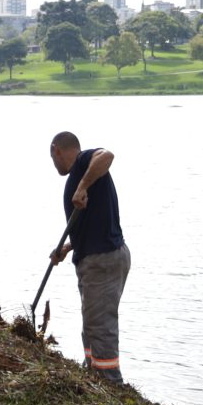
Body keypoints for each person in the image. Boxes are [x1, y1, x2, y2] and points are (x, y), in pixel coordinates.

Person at [48, 131, 129, 382]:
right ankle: (93, 375)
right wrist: (68, 248)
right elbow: (93, 224)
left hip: (102, 260)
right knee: (92, 324)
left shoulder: (85, 163)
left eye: (52, 157)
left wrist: (82, 186)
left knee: (100, 326)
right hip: (96, 257)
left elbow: (107, 155)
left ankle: (110, 383)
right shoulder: (79, 174)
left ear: (56, 150)